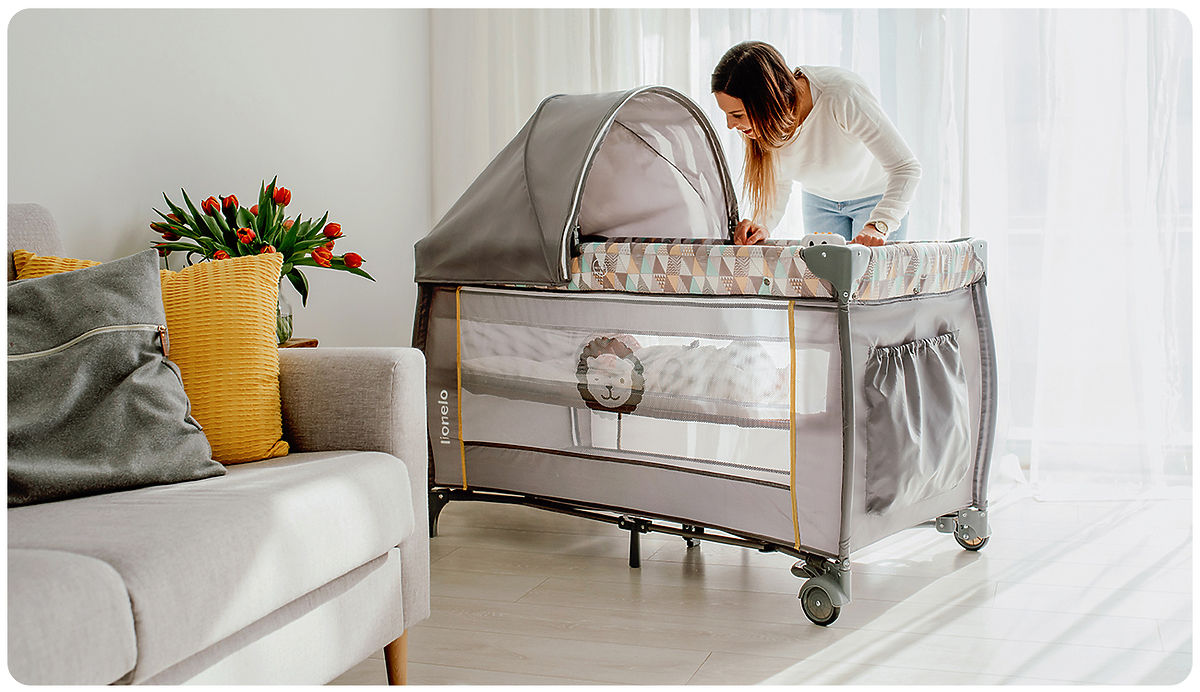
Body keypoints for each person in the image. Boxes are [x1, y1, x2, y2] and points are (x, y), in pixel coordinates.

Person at [711, 41, 921, 246]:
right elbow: (780, 180)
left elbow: (906, 168)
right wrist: (762, 225)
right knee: (823, 271)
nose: (730, 125)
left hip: (876, 197)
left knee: (870, 269)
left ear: (766, 102)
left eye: (737, 115)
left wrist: (879, 224)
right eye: (727, 114)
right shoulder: (760, 127)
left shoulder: (842, 94)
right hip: (819, 202)